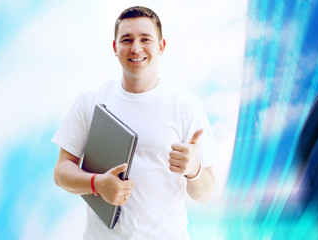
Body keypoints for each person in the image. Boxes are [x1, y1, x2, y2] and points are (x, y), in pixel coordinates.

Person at [52, 6, 219, 240]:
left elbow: (205, 193)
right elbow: (61, 172)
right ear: (115, 47)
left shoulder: (186, 107)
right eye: (127, 39)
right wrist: (96, 183)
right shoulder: (91, 101)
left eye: (145, 39)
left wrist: (194, 170)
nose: (136, 48)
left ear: (161, 46)